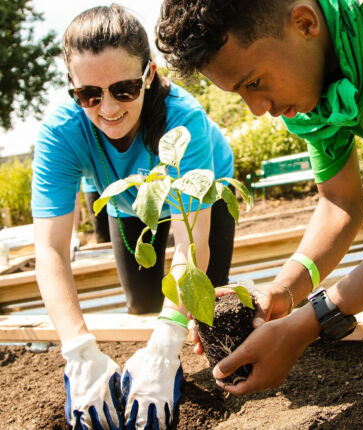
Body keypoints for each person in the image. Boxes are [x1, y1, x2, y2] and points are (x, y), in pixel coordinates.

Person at [156, 0, 363, 395]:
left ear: (304, 22)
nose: (256, 109)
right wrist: (283, 290)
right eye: (240, 93)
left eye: (254, 82)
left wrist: (310, 321)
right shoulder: (314, 86)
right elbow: (340, 203)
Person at [31, 4, 235, 429]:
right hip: (131, 202)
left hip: (197, 199)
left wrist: (164, 346)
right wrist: (78, 352)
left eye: (124, 89)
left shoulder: (184, 121)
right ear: (72, 87)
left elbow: (189, 241)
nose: (107, 109)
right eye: (89, 94)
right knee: (142, 303)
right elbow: (50, 250)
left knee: (204, 316)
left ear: (150, 74)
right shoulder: (60, 132)